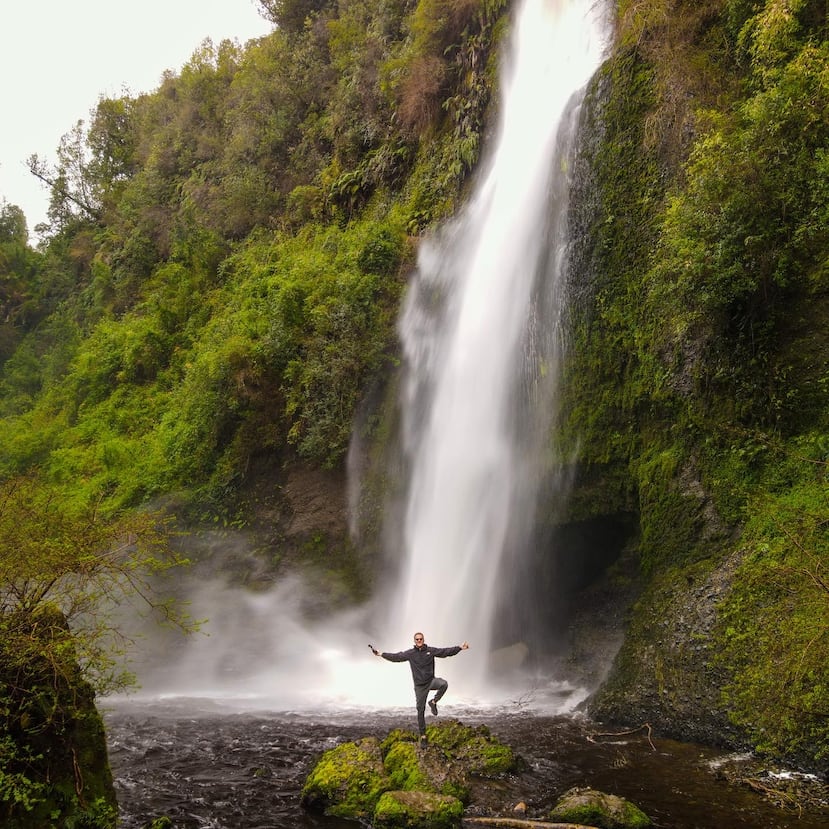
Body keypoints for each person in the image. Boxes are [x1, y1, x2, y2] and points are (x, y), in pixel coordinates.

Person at [371, 632, 469, 742]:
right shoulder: (410, 653)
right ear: (414, 641)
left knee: (443, 684)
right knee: (420, 710)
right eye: (417, 639)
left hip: (431, 681)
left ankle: (433, 702)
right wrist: (381, 654)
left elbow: (445, 652)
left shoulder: (430, 651)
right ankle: (423, 736)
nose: (419, 641)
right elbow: (396, 657)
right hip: (419, 686)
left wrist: (460, 648)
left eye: (421, 639)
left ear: (423, 639)